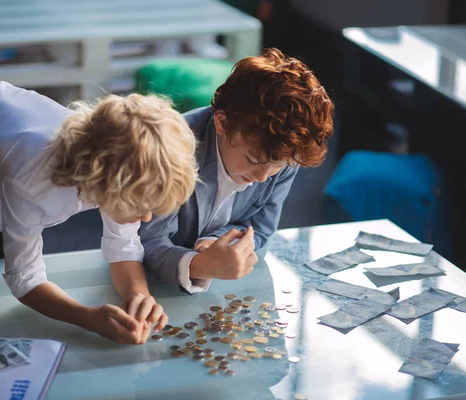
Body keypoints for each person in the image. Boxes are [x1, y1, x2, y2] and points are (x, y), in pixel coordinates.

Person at [0, 81, 198, 343]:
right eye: (141, 208)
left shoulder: (113, 160)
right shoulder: (31, 180)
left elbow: (123, 243)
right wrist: (87, 317)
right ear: (102, 180)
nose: (146, 218)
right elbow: (25, 278)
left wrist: (138, 295)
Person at [139, 48, 334, 293]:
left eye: (276, 166)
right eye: (253, 159)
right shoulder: (169, 148)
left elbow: (260, 225)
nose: (263, 178)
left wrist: (215, 242)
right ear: (222, 122)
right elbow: (144, 240)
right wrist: (199, 264)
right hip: (149, 287)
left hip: (223, 286)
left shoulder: (283, 153)